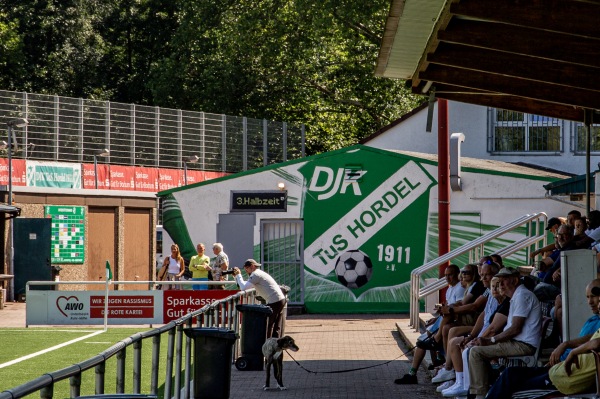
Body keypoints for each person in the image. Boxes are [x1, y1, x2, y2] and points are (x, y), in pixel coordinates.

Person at [485, 278, 600, 398]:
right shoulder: (593, 320)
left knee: (513, 390)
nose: (590, 302)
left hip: (564, 379)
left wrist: (569, 347)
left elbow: (596, 342)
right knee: (510, 374)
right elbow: (591, 338)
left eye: (594, 296)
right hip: (558, 369)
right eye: (587, 297)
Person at [468, 267, 542, 399]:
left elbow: (515, 329)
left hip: (523, 345)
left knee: (476, 352)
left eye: (504, 281)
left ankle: (480, 395)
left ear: (514, 280)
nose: (500, 284)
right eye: (499, 281)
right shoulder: (517, 295)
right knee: (477, 349)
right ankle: (487, 390)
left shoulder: (522, 295)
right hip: (517, 342)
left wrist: (491, 340)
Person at [437, 273, 508, 396]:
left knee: (466, 348)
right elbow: (483, 317)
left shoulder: (505, 303)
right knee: (456, 342)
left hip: (493, 339)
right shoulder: (491, 296)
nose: (495, 289)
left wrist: (477, 339)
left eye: (498, 286)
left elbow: (493, 328)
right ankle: (459, 380)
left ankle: (469, 386)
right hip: (484, 335)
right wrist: (472, 336)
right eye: (493, 287)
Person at [394, 264, 464, 384]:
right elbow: (446, 308)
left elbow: (455, 308)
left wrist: (441, 317)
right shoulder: (450, 288)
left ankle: (415, 373)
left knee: (423, 342)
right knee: (424, 342)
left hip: (452, 323)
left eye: (450, 275)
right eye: (446, 275)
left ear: (457, 274)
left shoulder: (460, 288)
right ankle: (436, 365)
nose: (447, 278)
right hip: (443, 321)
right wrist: (436, 318)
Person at [233, 259, 286, 338]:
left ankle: (268, 346)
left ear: (252, 266)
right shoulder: (258, 273)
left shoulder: (255, 274)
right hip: (279, 299)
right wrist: (236, 277)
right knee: (275, 326)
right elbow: (243, 286)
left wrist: (238, 275)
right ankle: (275, 346)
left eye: (246, 269)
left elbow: (244, 288)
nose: (246, 271)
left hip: (274, 301)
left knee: (269, 325)